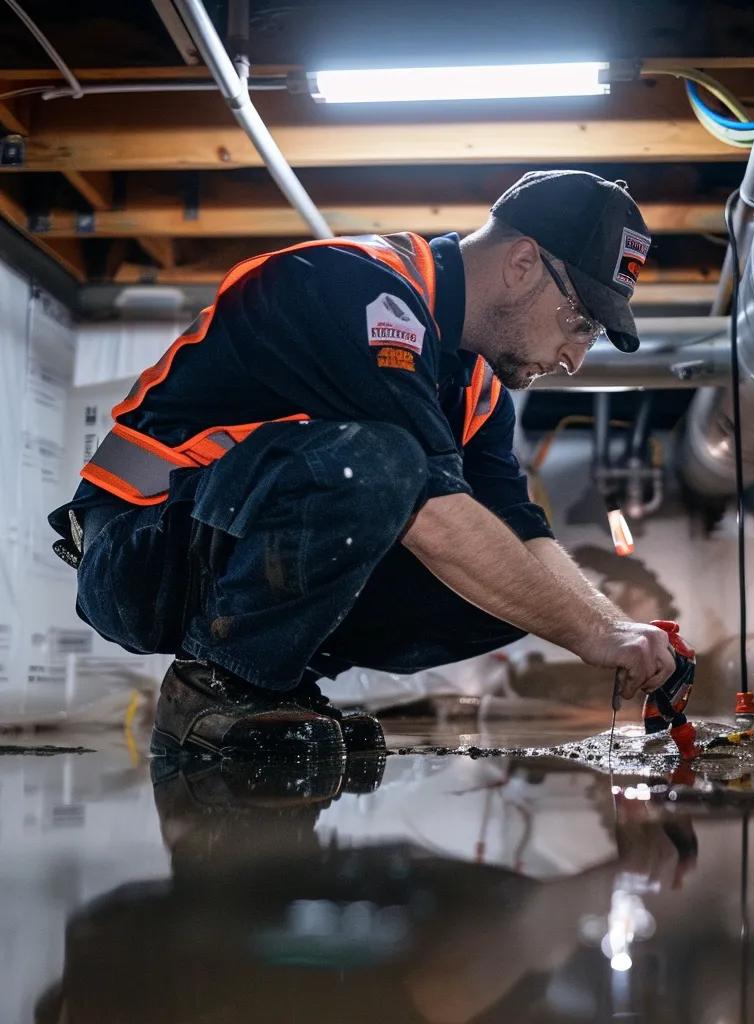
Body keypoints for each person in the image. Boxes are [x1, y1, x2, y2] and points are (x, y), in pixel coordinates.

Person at [47, 169, 683, 759]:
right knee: (384, 464)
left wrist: (617, 628)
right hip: (140, 552)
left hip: (217, 550)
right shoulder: (353, 286)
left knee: (509, 590)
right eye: (581, 323)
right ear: (522, 264)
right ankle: (219, 680)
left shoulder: (479, 392)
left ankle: (275, 682)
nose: (574, 358)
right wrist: (592, 635)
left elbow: (521, 536)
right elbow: (430, 513)